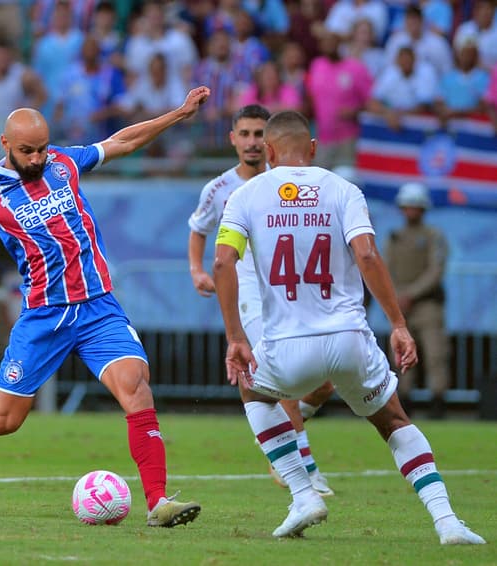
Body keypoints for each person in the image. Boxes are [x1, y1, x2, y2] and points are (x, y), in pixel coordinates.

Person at [0, 86, 211, 528]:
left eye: (42, 149)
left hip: (97, 309)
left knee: (136, 387)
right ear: (5, 145)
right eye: (27, 151)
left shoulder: (65, 162)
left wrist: (178, 113)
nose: (36, 158)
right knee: (2, 422)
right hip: (43, 318)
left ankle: (157, 501)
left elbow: (121, 141)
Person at [212, 110, 485, 545]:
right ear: (315, 149)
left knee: (254, 391)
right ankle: (447, 522)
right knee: (393, 421)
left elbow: (223, 262)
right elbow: (368, 255)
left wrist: (236, 338)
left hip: (286, 346)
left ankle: (303, 495)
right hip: (348, 339)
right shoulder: (343, 189)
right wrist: (398, 324)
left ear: (269, 150)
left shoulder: (245, 196)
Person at [187, 104, 334, 497]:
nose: (252, 142)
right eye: (245, 134)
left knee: (326, 382)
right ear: (232, 138)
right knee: (277, 372)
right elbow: (199, 229)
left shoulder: (287, 184)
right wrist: (196, 271)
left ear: (270, 142)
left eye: (259, 134)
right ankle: (303, 466)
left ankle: (271, 432)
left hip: (290, 290)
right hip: (248, 293)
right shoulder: (220, 189)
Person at [384, 182, 450, 419]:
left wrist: (410, 293)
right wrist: (397, 296)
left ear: (423, 209)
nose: (410, 210)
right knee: (401, 356)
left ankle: (438, 401)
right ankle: (405, 400)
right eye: (407, 206)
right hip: (401, 306)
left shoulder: (433, 236)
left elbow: (435, 270)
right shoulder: (395, 237)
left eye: (415, 206)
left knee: (435, 354)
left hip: (427, 304)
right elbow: (386, 269)